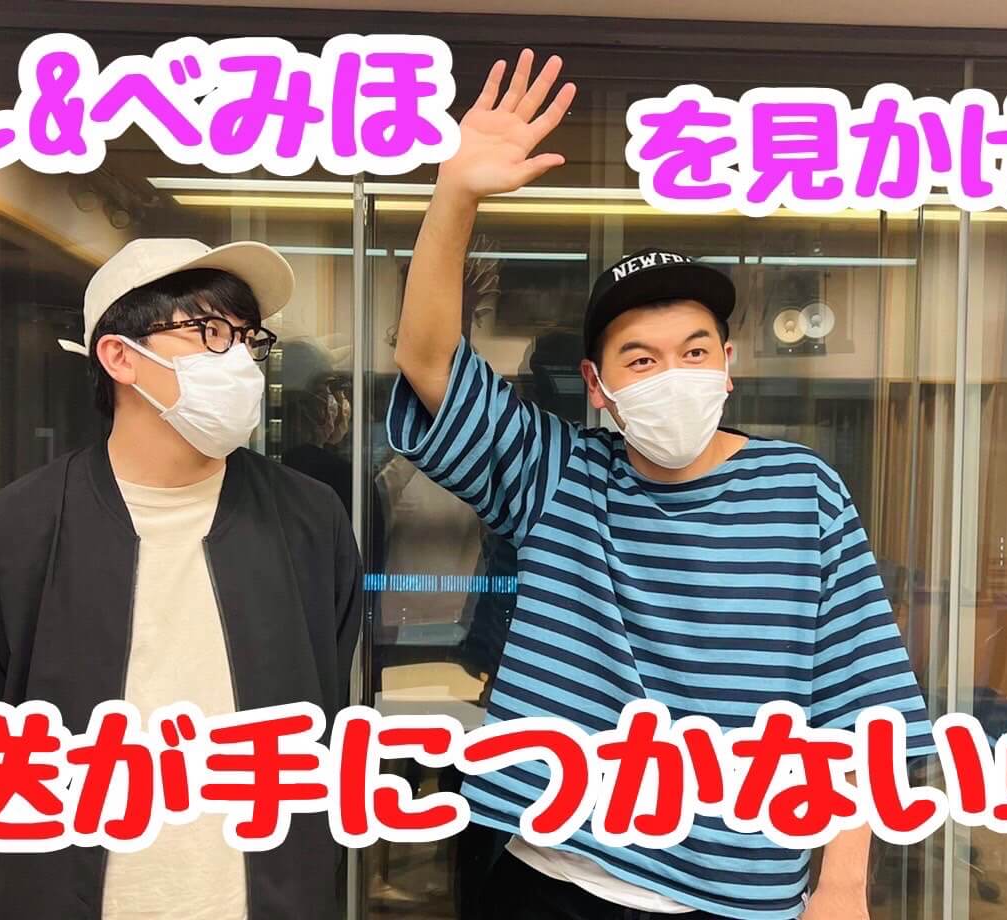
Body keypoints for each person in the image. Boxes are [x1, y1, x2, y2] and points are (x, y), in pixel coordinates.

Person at [389, 51, 934, 920]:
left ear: (728, 363)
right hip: (553, 871)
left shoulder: (803, 491)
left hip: (735, 884)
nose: (671, 375)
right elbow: (427, 362)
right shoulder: (557, 474)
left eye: (693, 351)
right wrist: (454, 193)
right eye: (639, 360)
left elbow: (860, 699)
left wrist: (841, 884)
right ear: (596, 385)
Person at [0, 238, 362, 920]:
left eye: (248, 340)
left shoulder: (309, 518)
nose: (238, 361)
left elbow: (322, 702)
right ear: (119, 357)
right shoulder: (21, 526)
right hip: (68, 895)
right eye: (211, 332)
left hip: (264, 893)